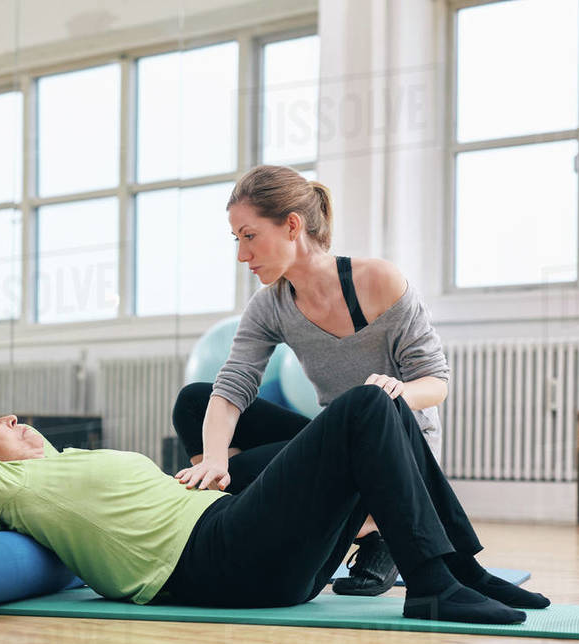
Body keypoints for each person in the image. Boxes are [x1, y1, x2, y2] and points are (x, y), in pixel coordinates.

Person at [0, 386, 550, 625]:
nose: (12, 416)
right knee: (364, 407)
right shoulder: (12, 490)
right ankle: (431, 584)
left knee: (386, 406)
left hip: (229, 537)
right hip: (218, 558)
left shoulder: (60, 466)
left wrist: (192, 478)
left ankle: (459, 569)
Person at [173, 164, 450, 597]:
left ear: (292, 225)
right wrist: (214, 462)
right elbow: (233, 385)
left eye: (249, 236)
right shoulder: (271, 306)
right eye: (236, 240)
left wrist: (397, 393)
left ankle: (376, 528)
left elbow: (436, 382)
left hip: (395, 455)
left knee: (261, 471)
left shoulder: (377, 281)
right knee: (194, 400)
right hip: (336, 446)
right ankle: (260, 530)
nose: (242, 255)